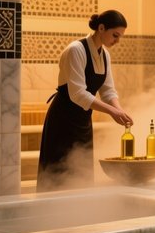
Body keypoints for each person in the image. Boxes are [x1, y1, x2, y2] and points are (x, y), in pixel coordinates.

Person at [37, 10, 133, 191]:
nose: (117, 41)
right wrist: (112, 111)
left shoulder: (105, 55)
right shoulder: (76, 50)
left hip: (82, 120)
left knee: (81, 173)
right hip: (63, 119)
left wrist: (119, 110)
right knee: (58, 173)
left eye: (120, 37)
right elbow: (78, 94)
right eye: (115, 35)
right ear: (101, 28)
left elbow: (108, 90)